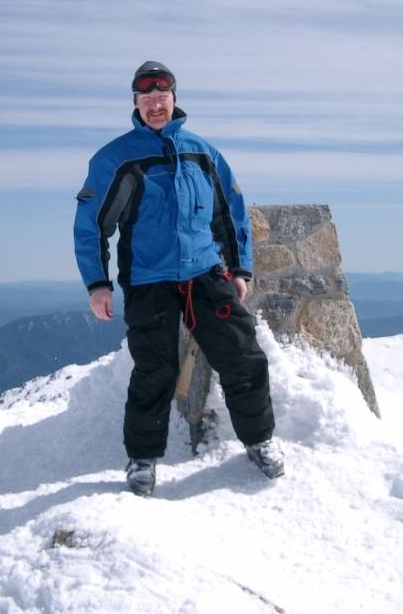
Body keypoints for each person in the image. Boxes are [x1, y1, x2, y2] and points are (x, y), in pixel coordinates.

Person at [74, 60, 284, 496]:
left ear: (174, 99)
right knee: (155, 370)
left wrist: (239, 267)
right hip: (149, 279)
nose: (155, 103)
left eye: (162, 95)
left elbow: (232, 211)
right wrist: (98, 283)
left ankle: (259, 440)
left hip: (205, 273)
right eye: (146, 97)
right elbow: (92, 222)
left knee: (243, 356)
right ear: (135, 102)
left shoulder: (202, 152)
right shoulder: (117, 158)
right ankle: (142, 459)